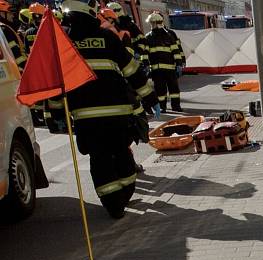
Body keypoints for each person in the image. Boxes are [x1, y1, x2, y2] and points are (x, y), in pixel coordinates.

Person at [48, 0, 156, 218]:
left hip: (87, 120)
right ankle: (125, 193)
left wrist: (57, 114)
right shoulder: (108, 38)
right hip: (118, 115)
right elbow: (132, 70)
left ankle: (113, 205)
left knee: (100, 160)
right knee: (122, 153)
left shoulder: (64, 44)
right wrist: (150, 97)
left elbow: (56, 85)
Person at [143, 11, 183, 112]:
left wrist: (179, 64)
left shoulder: (169, 35)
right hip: (157, 70)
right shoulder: (148, 37)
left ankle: (176, 106)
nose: (151, 25)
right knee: (160, 90)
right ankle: (162, 107)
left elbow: (176, 51)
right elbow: (145, 54)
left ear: (156, 23)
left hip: (169, 69)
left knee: (174, 89)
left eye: (152, 23)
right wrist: (146, 65)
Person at [0, 0, 27, 71]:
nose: (12, 15)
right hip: (16, 72)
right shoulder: (5, 30)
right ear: (2, 14)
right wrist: (27, 67)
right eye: (9, 13)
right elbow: (16, 54)